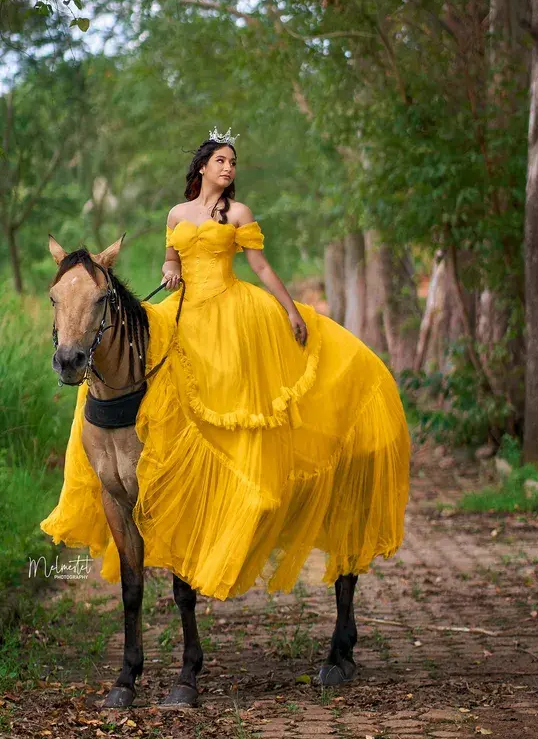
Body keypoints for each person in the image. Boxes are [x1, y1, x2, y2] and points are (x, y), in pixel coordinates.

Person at [42, 128, 410, 602]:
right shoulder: (177, 213)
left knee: (237, 396)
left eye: (233, 162)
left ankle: (244, 480)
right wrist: (170, 271)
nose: (228, 168)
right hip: (184, 310)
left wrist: (291, 310)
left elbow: (259, 266)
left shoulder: (238, 214)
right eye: (220, 160)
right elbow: (171, 263)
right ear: (201, 167)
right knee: (134, 365)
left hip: (232, 309)